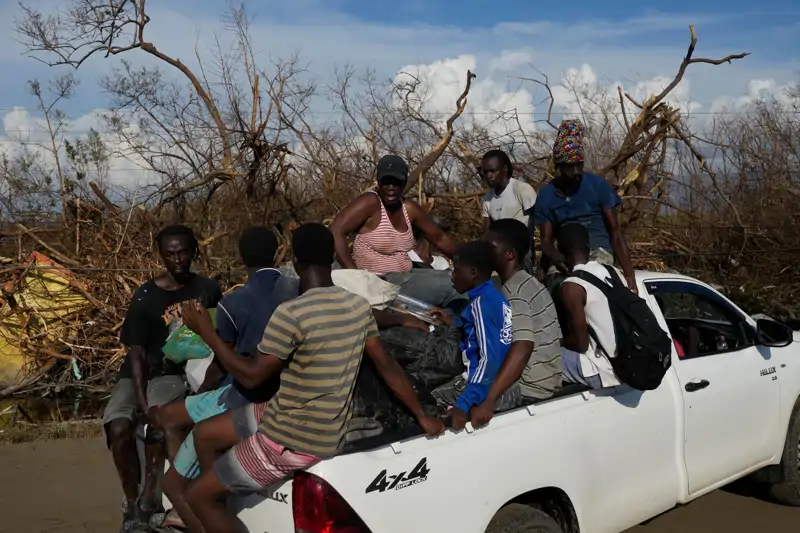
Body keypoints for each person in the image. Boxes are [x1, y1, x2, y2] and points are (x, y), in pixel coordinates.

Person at [177, 223, 445, 533]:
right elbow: (388, 367)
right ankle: (226, 493)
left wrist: (206, 331)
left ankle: (217, 501)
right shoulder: (357, 306)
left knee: (197, 496)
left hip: (292, 437)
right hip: (292, 413)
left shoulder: (290, 313)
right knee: (205, 434)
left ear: (296, 261)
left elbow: (250, 378)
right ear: (332, 256)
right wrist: (423, 417)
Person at [157, 227, 299, 532]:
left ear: (240, 259)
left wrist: (202, 387)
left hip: (241, 399)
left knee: (172, 485)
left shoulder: (233, 304)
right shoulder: (297, 292)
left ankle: (197, 509)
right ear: (278, 253)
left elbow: (223, 366)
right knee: (172, 414)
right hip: (277, 394)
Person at [102, 225, 222, 532]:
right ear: (161, 256)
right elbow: (137, 354)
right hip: (139, 372)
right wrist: (141, 401)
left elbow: (217, 335)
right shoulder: (145, 297)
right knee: (118, 426)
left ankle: (149, 501)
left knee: (159, 419)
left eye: (183, 252)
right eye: (171, 254)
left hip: (173, 371)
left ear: (194, 251)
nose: (178, 259)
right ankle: (131, 504)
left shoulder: (207, 289)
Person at [330, 154, 464, 310]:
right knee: (453, 287)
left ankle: (452, 326)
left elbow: (439, 238)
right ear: (378, 182)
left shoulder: (409, 209)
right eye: (385, 182)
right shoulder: (370, 202)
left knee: (458, 280)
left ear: (404, 183)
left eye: (396, 182)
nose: (391, 187)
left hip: (405, 275)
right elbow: (336, 230)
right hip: (379, 280)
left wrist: (467, 262)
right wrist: (357, 276)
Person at [470, 219, 563, 427]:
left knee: (448, 395)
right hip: (546, 379)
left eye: (489, 247)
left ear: (509, 254)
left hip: (531, 388)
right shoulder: (528, 283)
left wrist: (489, 400)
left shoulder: (514, 292)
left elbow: (523, 346)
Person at [533, 119, 637, 295]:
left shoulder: (598, 186)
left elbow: (615, 232)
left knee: (593, 284)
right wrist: (555, 258)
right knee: (557, 290)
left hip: (598, 251)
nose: (575, 171)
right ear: (558, 167)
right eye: (569, 166)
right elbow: (546, 239)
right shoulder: (547, 195)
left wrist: (630, 277)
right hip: (565, 255)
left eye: (579, 165)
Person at [430, 241, 514, 431]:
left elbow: (488, 358)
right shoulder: (493, 297)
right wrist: (453, 323)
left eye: (456, 271)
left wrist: (464, 404)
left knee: (429, 397)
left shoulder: (481, 305)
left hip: (480, 384)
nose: (452, 277)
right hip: (494, 378)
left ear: (473, 273)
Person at [557, 224, 622, 389]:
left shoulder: (572, 285)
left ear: (560, 251)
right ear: (588, 247)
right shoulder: (613, 272)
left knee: (536, 357)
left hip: (603, 371)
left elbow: (581, 344)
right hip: (627, 363)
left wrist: (557, 342)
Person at [480, 149, 537, 273]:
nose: (489, 176)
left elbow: (535, 222)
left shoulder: (522, 189)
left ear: (505, 169)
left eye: (492, 171)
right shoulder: (487, 199)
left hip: (521, 253)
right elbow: (487, 231)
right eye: (485, 172)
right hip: (499, 254)